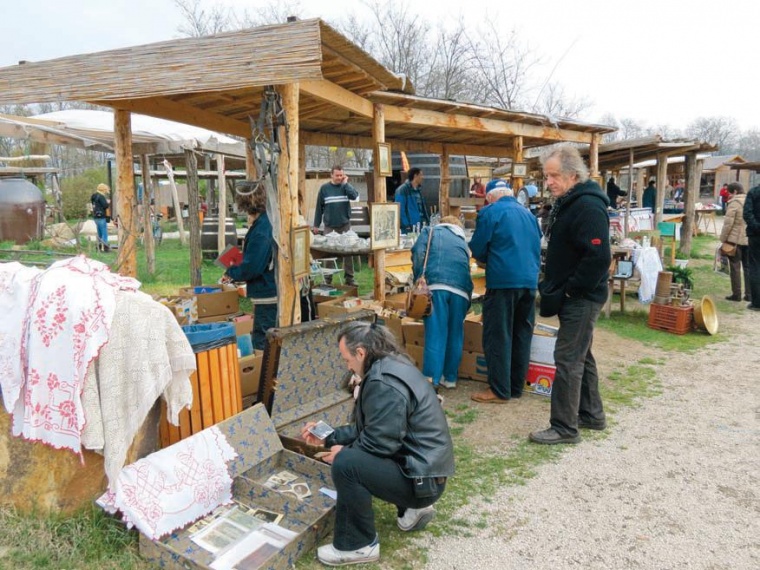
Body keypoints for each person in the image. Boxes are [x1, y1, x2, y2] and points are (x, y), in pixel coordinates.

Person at [301, 321, 454, 567]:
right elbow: (373, 429)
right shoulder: (393, 365)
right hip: (425, 474)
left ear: (360, 352)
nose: (347, 365)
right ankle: (412, 509)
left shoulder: (382, 382)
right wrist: (329, 437)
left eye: (346, 359)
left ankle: (358, 545)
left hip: (423, 481)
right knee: (349, 457)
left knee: (347, 463)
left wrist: (344, 452)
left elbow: (379, 445)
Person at [530, 145, 611, 445]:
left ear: (572, 175)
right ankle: (591, 414)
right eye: (546, 175)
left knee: (567, 359)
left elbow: (598, 257)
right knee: (580, 354)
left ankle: (564, 426)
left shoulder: (588, 206)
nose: (548, 181)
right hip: (576, 295)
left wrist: (571, 290)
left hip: (582, 297)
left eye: (553, 176)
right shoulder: (571, 202)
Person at [468, 181, 542, 403]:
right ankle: (515, 386)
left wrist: (486, 260)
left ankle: (499, 390)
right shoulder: (528, 214)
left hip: (503, 281)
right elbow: (537, 242)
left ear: (490, 197)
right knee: (521, 333)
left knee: (498, 334)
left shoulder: (490, 212)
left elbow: (478, 248)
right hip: (529, 280)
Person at [411, 215, 473, 390]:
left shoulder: (430, 231)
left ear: (441, 223)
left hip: (436, 286)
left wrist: (418, 277)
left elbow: (418, 252)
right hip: (461, 290)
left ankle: (431, 379)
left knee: (436, 333)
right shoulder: (462, 242)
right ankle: (450, 378)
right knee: (455, 333)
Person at [226, 185, 277, 350]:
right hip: (268, 289)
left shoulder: (262, 229)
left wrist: (231, 270)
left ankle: (262, 375)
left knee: (262, 341)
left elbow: (252, 267)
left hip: (268, 292)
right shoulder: (264, 221)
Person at [313, 165, 359, 286]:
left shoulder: (345, 187)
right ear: (331, 175)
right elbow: (319, 207)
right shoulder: (324, 189)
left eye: (341, 175)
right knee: (328, 253)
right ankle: (327, 279)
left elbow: (355, 196)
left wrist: (346, 183)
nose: (339, 177)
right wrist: (316, 225)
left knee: (348, 253)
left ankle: (350, 278)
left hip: (345, 225)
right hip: (329, 226)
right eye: (337, 175)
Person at [720, 182, 750, 302]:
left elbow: (728, 224)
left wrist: (723, 239)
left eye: (729, 192)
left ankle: (736, 294)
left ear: (735, 191)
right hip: (749, 240)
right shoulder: (751, 201)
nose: (729, 195)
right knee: (748, 267)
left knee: (735, 267)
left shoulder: (734, 204)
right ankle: (750, 294)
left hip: (734, 240)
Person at [395, 167, 430, 232]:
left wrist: (427, 221)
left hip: (420, 226)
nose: (422, 177)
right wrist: (406, 225)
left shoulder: (418, 190)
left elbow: (422, 208)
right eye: (421, 175)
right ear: (415, 176)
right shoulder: (402, 190)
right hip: (409, 227)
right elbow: (399, 209)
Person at [743, 184, 760, 311]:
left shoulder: (754, 192)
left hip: (755, 235)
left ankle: (757, 302)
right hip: (755, 234)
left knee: (755, 267)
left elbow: (747, 213)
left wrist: (756, 227)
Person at [90, 183, 111, 252]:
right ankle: (105, 247)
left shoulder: (94, 196)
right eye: (106, 190)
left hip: (96, 216)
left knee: (99, 232)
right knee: (104, 232)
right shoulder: (101, 196)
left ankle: (99, 247)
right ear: (104, 190)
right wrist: (108, 202)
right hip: (102, 216)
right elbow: (106, 206)